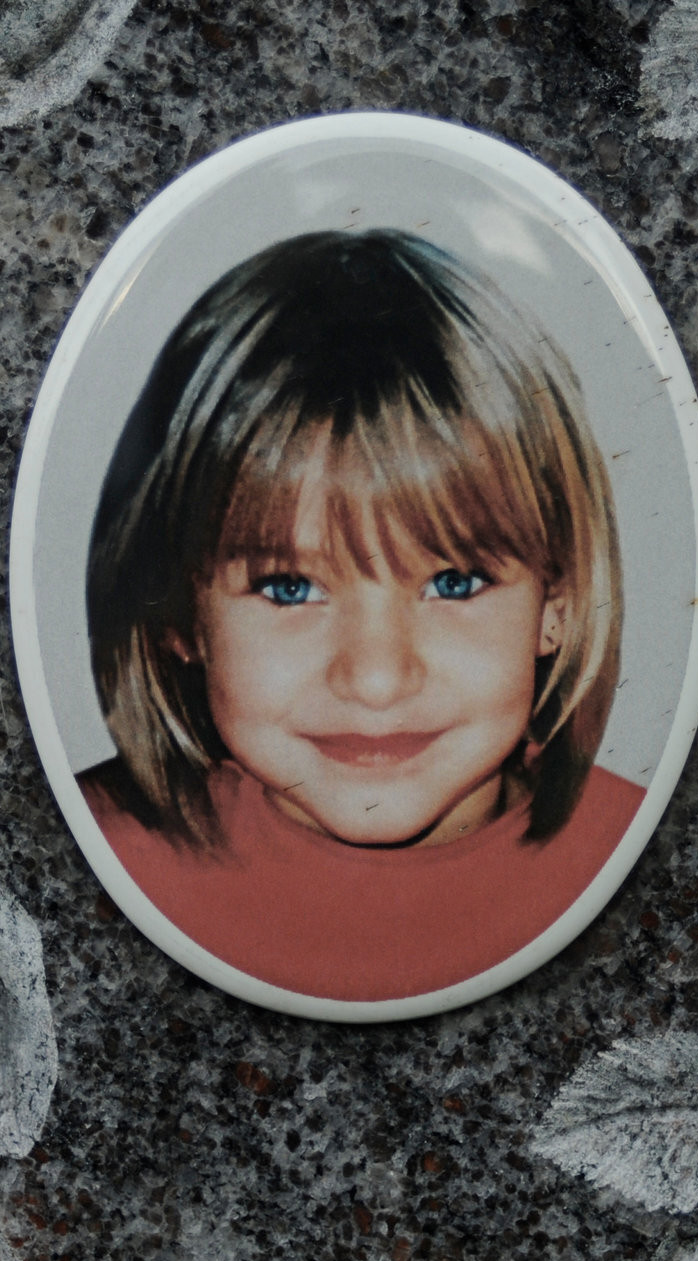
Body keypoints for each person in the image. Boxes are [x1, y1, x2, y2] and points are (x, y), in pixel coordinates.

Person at [79, 228, 641, 1003]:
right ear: (177, 614)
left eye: (454, 583)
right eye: (288, 588)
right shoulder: (87, 861)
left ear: (558, 601)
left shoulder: (644, 857)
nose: (376, 681)